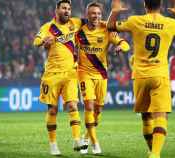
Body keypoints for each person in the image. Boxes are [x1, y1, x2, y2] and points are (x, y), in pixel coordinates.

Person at [107, 0, 175, 158]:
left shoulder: (135, 21)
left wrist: (115, 10)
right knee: (160, 116)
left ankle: (151, 151)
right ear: (160, 5)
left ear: (145, 5)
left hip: (140, 76)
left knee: (146, 116)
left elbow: (110, 26)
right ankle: (155, 154)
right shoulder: (170, 22)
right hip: (159, 75)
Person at [33, 0, 86, 155]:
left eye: (69, 8)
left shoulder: (74, 23)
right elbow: (36, 41)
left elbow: (92, 20)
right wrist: (44, 41)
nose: (67, 11)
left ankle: (77, 140)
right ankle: (53, 144)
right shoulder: (47, 27)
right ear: (57, 10)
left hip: (70, 74)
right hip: (52, 75)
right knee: (53, 111)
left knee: (73, 106)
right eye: (64, 8)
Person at [76, 2, 130, 155]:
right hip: (84, 73)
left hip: (101, 75)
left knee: (98, 111)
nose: (96, 16)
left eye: (99, 14)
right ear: (87, 15)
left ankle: (86, 137)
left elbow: (124, 43)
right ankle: (95, 143)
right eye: (93, 13)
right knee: (89, 106)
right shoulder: (79, 31)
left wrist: (121, 47)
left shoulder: (106, 28)